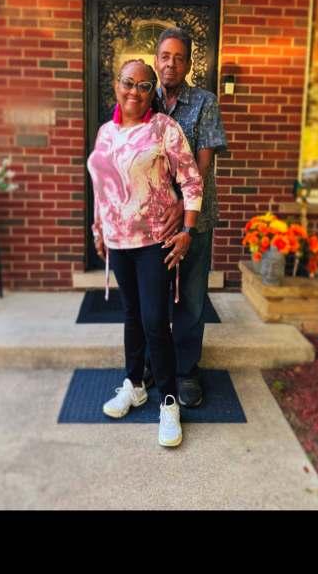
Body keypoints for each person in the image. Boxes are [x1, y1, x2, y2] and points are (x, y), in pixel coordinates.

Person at [87, 59, 203, 447]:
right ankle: (134, 384)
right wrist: (99, 228)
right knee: (131, 315)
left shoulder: (164, 128)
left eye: (143, 85)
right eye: (128, 83)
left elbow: (191, 180)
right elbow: (101, 186)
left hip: (155, 241)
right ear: (116, 85)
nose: (134, 91)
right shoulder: (105, 132)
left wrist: (187, 230)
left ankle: (168, 400)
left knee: (154, 320)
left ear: (152, 92)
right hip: (118, 242)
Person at [143, 27, 228, 408]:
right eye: (165, 56)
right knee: (153, 294)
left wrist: (183, 202)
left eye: (179, 58)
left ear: (189, 63)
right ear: (156, 60)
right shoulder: (145, 100)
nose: (171, 64)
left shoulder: (205, 102)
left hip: (197, 215)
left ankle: (187, 370)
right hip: (155, 220)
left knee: (191, 297)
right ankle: (155, 361)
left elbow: (204, 163)